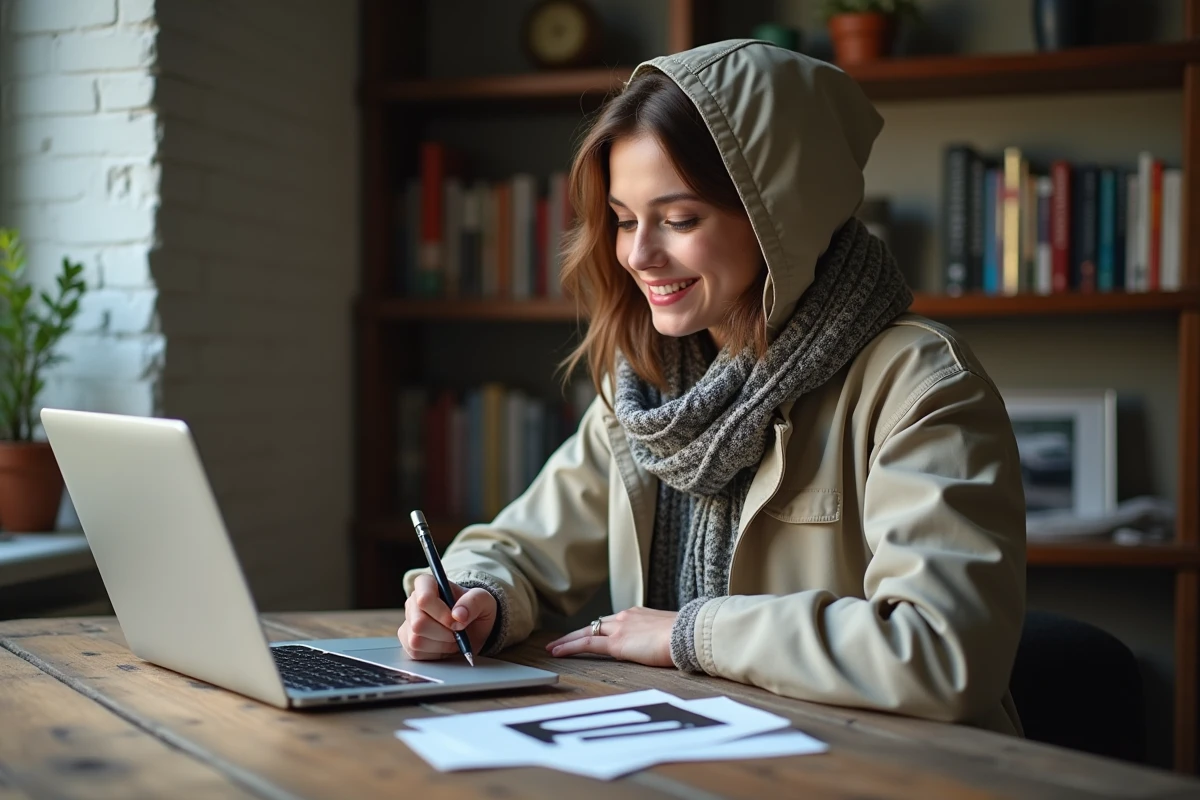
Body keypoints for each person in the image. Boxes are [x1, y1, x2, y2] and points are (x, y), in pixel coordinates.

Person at [399, 39, 1027, 735]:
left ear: (779, 220)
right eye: (626, 220)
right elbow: (522, 548)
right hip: (692, 754)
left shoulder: (919, 384)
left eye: (679, 219)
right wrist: (472, 593)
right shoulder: (648, 392)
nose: (639, 255)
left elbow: (942, 652)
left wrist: (690, 636)